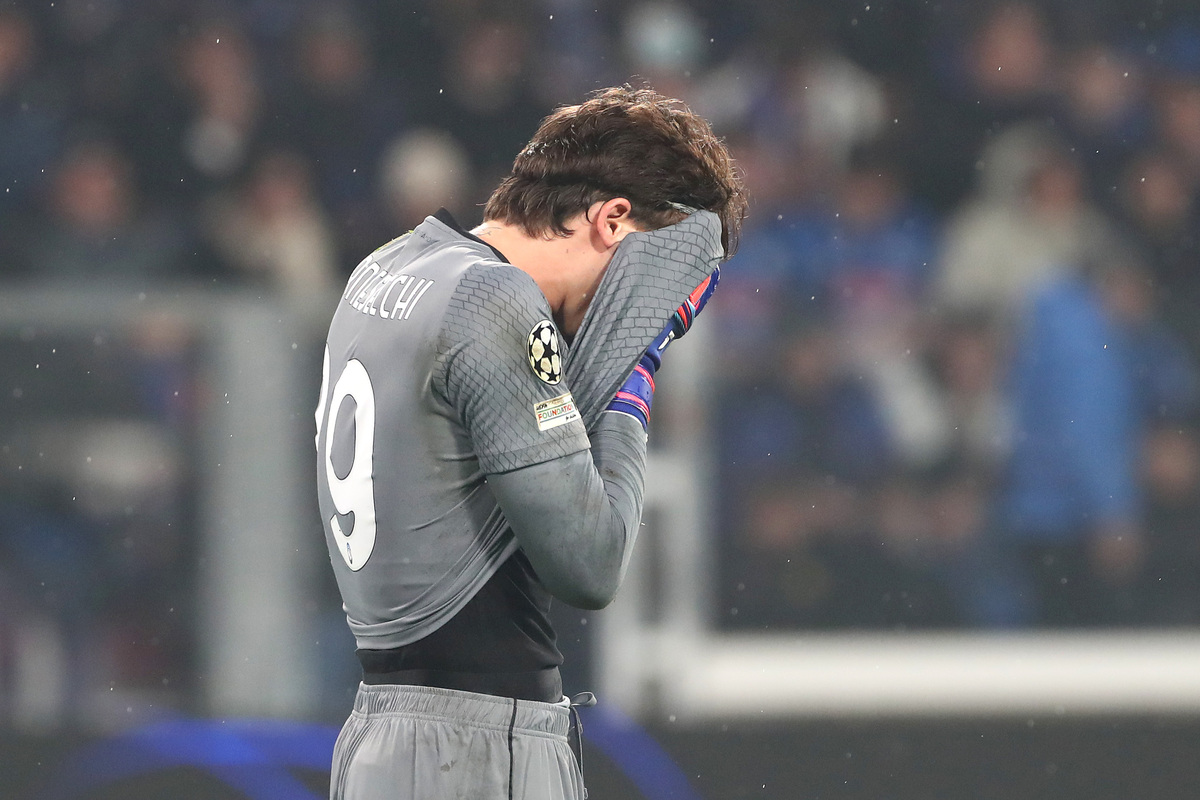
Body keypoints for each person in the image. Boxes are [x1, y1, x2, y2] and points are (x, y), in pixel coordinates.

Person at [314, 86, 746, 800]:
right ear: (612, 220)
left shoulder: (388, 268)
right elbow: (590, 564)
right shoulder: (495, 300)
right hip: (475, 750)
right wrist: (635, 373)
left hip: (380, 740)